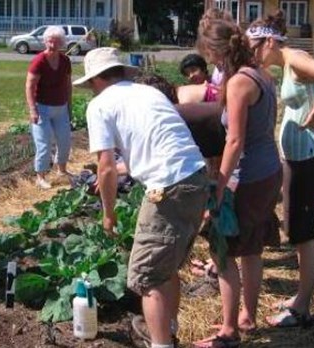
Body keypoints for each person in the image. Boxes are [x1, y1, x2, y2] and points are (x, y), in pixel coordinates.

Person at [74, 47, 209, 348]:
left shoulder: (99, 106)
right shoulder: (149, 94)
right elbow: (154, 143)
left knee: (146, 277)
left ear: (95, 80)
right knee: (165, 269)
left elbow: (106, 168)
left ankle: (162, 343)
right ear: (121, 72)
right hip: (196, 178)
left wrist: (108, 214)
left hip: (168, 186)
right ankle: (166, 330)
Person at [246, 10, 314, 328]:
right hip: (299, 159)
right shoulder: (287, 64)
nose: (253, 55)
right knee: (298, 231)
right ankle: (300, 296)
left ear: (271, 41)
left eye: (255, 48)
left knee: (305, 233)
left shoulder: (296, 59)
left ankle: (302, 307)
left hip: (311, 159)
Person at [195, 12, 283, 347]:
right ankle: (247, 316)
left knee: (225, 252)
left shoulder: (238, 83)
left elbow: (234, 141)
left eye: (209, 53)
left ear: (217, 52)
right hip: (268, 171)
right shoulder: (262, 74)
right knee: (252, 249)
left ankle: (229, 332)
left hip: (247, 177)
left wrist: (219, 185)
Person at [25, 25, 73, 189]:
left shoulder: (65, 61)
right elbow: (30, 86)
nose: (53, 45)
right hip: (42, 108)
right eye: (50, 42)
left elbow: (68, 85)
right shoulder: (39, 61)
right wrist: (33, 109)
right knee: (44, 143)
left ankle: (62, 171)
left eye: (56, 42)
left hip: (61, 107)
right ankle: (41, 176)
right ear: (45, 42)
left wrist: (69, 106)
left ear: (61, 43)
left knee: (64, 140)